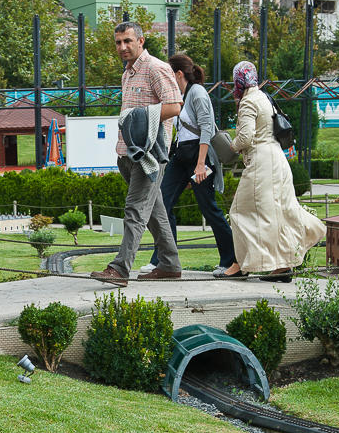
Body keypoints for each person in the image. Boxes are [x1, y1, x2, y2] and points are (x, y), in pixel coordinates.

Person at [90, 21, 182, 287]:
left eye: (128, 41)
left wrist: (142, 117)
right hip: (126, 153)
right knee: (154, 211)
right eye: (118, 42)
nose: (122, 47)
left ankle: (120, 269)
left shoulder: (157, 68)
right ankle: (170, 264)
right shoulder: (127, 73)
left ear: (141, 41)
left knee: (134, 211)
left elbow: (175, 106)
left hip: (149, 156)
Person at [227, 61, 325, 282]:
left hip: (261, 163)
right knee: (281, 212)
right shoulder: (264, 97)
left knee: (238, 212)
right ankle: (282, 268)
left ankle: (241, 265)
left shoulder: (248, 102)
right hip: (278, 161)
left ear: (238, 80)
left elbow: (245, 137)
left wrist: (230, 146)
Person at [142, 54, 238, 278]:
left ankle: (230, 260)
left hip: (198, 155)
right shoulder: (179, 95)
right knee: (161, 205)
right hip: (181, 156)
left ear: (178, 74)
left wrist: (200, 165)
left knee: (209, 209)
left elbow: (206, 128)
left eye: (168, 75)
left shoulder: (198, 93)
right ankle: (164, 260)